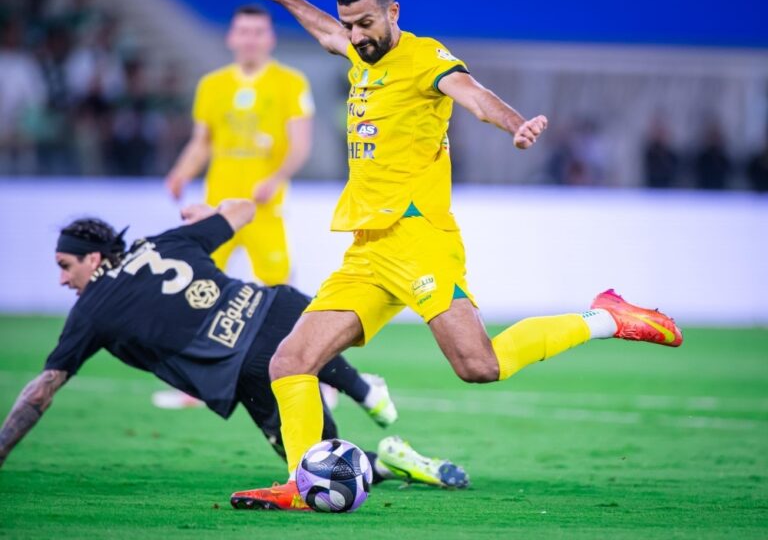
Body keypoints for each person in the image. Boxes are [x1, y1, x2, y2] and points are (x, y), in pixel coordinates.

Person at [235, 0, 684, 510]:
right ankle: (303, 488)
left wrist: (515, 123)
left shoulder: (425, 58)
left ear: (393, 13)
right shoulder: (358, 50)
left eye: (366, 24)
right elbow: (327, 33)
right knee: (289, 363)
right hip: (368, 248)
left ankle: (608, 317)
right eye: (352, 26)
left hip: (420, 238)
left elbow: (472, 93)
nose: (356, 36)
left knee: (479, 366)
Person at [0, 199, 470, 510]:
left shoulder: (93, 310)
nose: (63, 280)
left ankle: (371, 424)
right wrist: (209, 212)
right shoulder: (164, 242)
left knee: (311, 470)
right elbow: (244, 209)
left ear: (94, 259)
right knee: (321, 448)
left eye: (65, 267)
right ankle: (389, 448)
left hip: (246, 363)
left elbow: (43, 390)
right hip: (279, 305)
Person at [165, 4, 313, 286]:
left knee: (278, 284)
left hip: (264, 204)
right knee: (203, 280)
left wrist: (276, 178)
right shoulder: (212, 85)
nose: (250, 40)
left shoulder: (291, 83)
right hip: (218, 205)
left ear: (271, 38)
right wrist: (181, 173)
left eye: (258, 32)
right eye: (244, 32)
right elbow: (201, 142)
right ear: (231, 37)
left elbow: (301, 144)